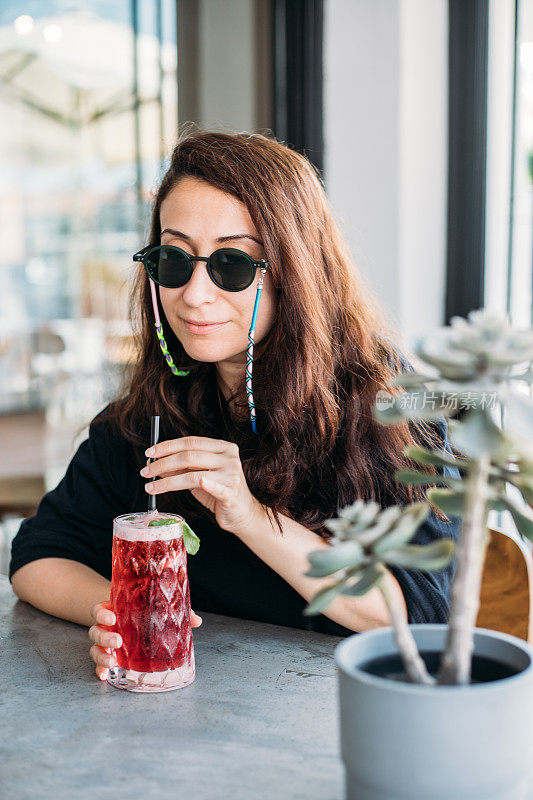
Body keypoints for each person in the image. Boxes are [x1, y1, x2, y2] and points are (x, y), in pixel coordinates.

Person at [9, 130, 459, 682]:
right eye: (174, 260)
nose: (194, 294)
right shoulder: (154, 409)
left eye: (232, 264)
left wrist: (250, 516)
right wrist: (127, 614)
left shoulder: (387, 408)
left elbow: (417, 612)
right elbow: (37, 555)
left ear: (294, 271)